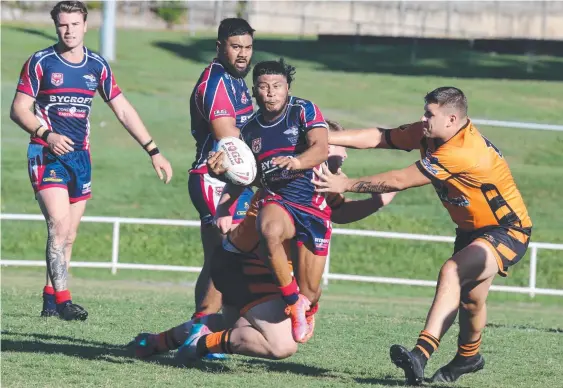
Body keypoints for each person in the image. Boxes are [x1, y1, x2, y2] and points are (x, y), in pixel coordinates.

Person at [313, 86, 532, 385]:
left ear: (452, 120)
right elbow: (380, 136)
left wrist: (347, 183)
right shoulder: (429, 133)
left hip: (508, 230)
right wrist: (325, 137)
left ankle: (420, 354)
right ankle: (469, 358)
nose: (423, 119)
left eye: (429, 114)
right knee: (471, 302)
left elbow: (400, 179)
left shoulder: (462, 151)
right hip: (471, 230)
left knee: (452, 271)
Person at [131, 120, 396, 360]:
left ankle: (156, 341)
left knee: (239, 326)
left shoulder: (319, 180)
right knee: (281, 345)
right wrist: (224, 203)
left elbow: (338, 211)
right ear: (319, 145)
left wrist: (376, 202)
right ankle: (200, 346)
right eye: (340, 145)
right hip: (245, 266)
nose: (346, 153)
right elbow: (248, 174)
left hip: (249, 266)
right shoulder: (295, 176)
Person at [9, 1, 173, 321]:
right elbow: (18, 110)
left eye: (74, 24)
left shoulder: (97, 66)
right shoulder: (40, 62)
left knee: (68, 233)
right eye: (62, 24)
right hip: (46, 154)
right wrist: (47, 135)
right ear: (55, 26)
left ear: (86, 26)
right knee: (57, 223)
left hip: (80, 158)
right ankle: (65, 302)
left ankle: (50, 302)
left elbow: (123, 110)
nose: (68, 30)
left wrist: (153, 151)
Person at [187, 18, 256, 320]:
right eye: (236, 47)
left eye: (248, 47)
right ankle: (202, 330)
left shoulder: (236, 80)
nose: (243, 54)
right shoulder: (214, 83)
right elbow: (230, 141)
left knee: (221, 258)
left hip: (236, 181)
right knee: (224, 258)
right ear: (220, 47)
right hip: (213, 179)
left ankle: (206, 328)